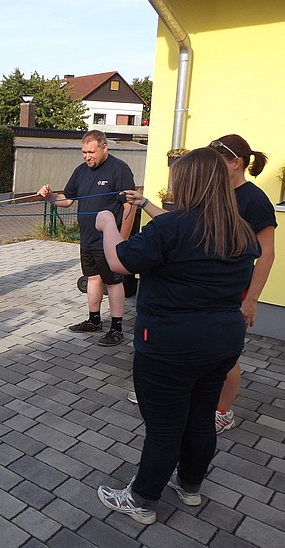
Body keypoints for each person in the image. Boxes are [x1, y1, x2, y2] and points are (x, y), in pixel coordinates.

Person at [94, 148, 260, 525]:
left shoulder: (170, 228)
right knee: (201, 418)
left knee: (165, 428)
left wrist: (107, 225)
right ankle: (189, 485)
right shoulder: (239, 230)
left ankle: (141, 499)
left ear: (188, 183)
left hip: (170, 347)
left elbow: (119, 260)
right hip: (222, 344)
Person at [124, 135, 276, 435]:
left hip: (231, 289)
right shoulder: (214, 193)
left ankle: (222, 411)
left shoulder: (253, 200)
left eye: (216, 162)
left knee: (223, 354)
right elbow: (182, 225)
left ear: (236, 162)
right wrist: (146, 204)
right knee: (197, 345)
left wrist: (252, 299)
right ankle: (170, 394)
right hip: (202, 288)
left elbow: (267, 254)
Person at [38, 130, 136, 346]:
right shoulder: (81, 171)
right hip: (88, 240)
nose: (86, 156)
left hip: (110, 242)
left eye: (91, 152)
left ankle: (117, 328)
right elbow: (66, 200)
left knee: (112, 283)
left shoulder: (119, 169)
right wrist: (50, 197)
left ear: (104, 148)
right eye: (84, 152)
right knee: (93, 278)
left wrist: (122, 240)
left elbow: (129, 204)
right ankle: (94, 321)